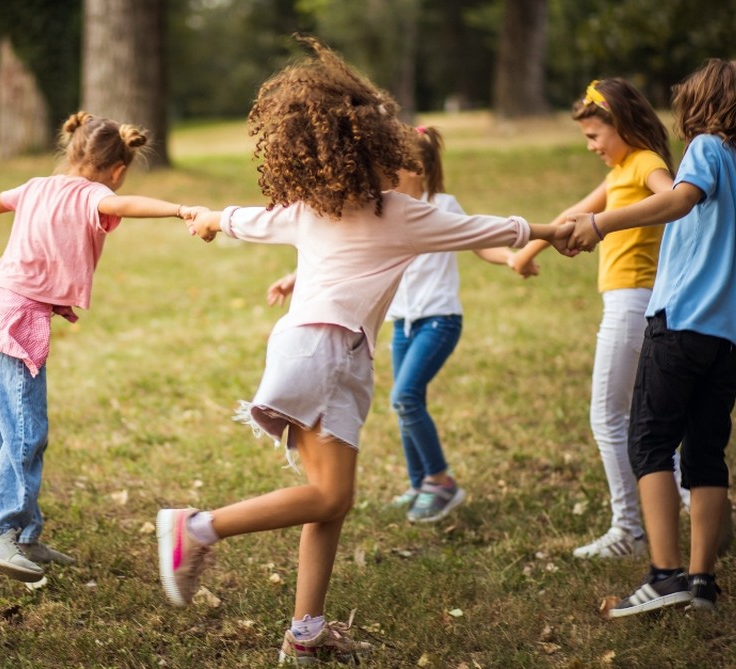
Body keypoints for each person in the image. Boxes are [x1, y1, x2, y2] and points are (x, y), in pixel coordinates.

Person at [154, 37, 574, 664]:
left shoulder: (313, 208)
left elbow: (244, 218)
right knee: (328, 497)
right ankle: (196, 528)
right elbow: (485, 228)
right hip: (326, 350)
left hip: (325, 351)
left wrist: (209, 218)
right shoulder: (400, 214)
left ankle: (306, 630)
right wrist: (552, 232)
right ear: (371, 151)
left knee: (334, 499)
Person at [565, 59, 736, 617]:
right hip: (734, 335)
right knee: (706, 453)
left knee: (649, 441)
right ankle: (702, 584)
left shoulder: (708, 149)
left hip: (684, 321)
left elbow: (680, 200)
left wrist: (601, 223)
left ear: (705, 106)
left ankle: (664, 575)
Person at [0, 112, 205, 583]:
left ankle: (24, 536)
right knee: (26, 434)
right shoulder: (96, 195)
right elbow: (130, 205)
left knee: (13, 435)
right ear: (117, 171)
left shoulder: (35, 186)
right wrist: (183, 210)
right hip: (15, 318)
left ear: (72, 149)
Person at [267, 125, 538, 525]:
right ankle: (419, 484)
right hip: (403, 325)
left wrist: (512, 258)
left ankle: (441, 482)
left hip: (439, 321)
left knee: (406, 397)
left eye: (396, 162)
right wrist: (294, 277)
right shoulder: (382, 209)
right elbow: (347, 251)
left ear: (418, 168)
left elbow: (480, 241)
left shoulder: (441, 205)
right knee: (405, 401)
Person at [510, 78, 697, 559]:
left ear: (622, 124)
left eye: (595, 136)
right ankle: (691, 505)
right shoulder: (621, 169)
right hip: (630, 302)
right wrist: (528, 251)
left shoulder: (645, 163)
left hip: (634, 301)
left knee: (610, 418)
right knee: (640, 419)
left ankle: (631, 529)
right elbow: (577, 211)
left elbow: (674, 197)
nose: (591, 146)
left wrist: (614, 221)